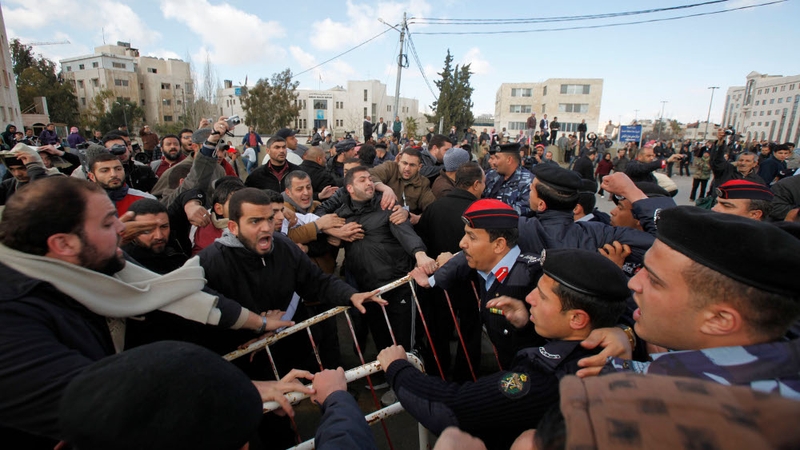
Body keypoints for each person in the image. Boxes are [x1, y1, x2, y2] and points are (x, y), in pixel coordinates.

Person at [0, 177, 286, 446]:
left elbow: (176, 295)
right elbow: (94, 401)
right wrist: (228, 389)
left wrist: (260, 325)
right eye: (107, 223)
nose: (123, 230)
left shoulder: (85, 270)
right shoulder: (10, 316)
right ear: (63, 244)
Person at [382, 248, 630, 449]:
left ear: (577, 319)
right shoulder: (609, 351)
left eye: (542, 296)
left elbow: (453, 407)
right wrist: (524, 328)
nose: (530, 298)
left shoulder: (549, 377)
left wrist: (398, 369)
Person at [601, 206, 800, 398]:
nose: (634, 283)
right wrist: (628, 334)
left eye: (654, 280)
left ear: (720, 320)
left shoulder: (665, 401)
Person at [333, 166, 436, 351]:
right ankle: (390, 375)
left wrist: (420, 254)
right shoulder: (342, 214)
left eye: (370, 179)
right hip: (369, 291)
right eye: (362, 180)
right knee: (382, 341)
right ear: (349, 188)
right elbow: (314, 220)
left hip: (398, 287)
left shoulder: (387, 206)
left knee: (406, 344)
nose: (369, 183)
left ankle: (414, 377)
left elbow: (406, 233)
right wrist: (333, 232)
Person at [415, 162, 485, 380]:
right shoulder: (480, 211)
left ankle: (439, 373)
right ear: (475, 184)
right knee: (470, 333)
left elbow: (422, 241)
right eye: (483, 182)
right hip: (471, 284)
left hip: (439, 283)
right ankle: (467, 376)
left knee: (438, 332)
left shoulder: (435, 208)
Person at [120, 199, 188, 274]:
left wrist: (192, 203)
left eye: (164, 227)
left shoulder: (176, 240)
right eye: (147, 230)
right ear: (132, 230)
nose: (159, 236)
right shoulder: (122, 262)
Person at [370, 147, 436, 223]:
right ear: (399, 161)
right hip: (382, 218)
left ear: (419, 167)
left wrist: (418, 218)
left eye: (412, 165)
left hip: (406, 222)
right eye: (404, 163)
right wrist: (386, 189)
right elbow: (370, 175)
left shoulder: (423, 182)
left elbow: (432, 208)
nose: (407, 168)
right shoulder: (390, 167)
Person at [86, 151, 156, 216]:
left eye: (118, 169)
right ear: (92, 176)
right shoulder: (83, 206)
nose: (113, 174)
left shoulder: (146, 200)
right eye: (105, 171)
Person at [482, 142, 534, 216]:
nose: (494, 162)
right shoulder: (491, 175)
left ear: (509, 160)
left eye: (497, 158)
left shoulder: (528, 181)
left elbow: (525, 210)